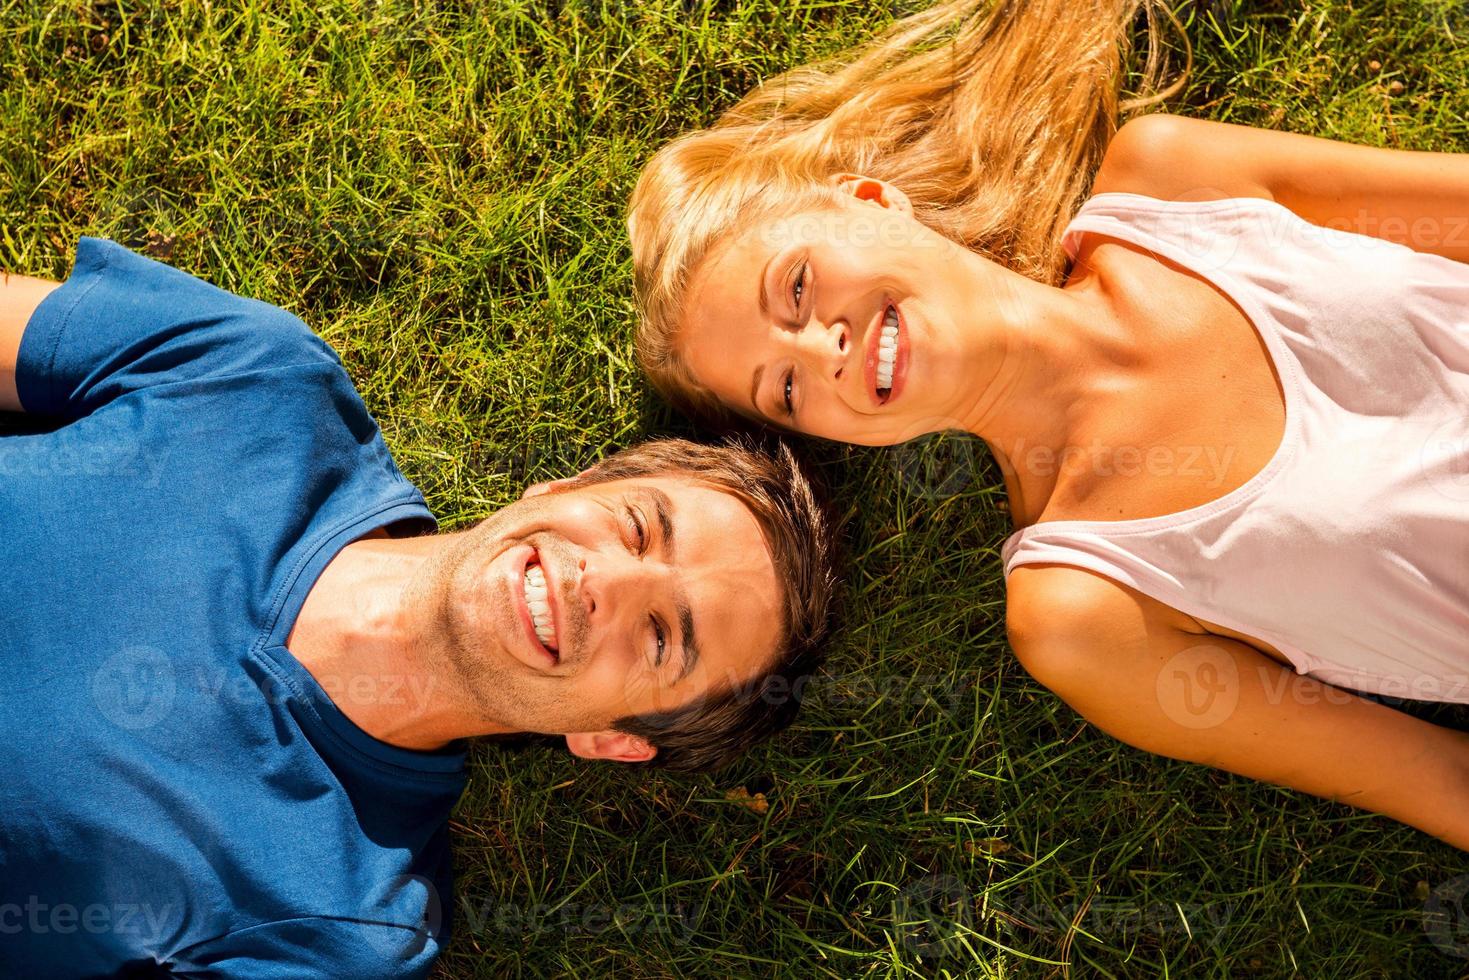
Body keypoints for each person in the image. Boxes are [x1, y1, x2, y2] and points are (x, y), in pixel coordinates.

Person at [625, 0, 1469, 850]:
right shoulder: (1083, 609)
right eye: (785, 388)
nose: (825, 350)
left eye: (797, 287)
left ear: (873, 203)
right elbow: (1438, 780)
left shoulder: (1176, 180)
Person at [0, 237, 839, 976]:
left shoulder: (346, 925)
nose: (606, 585)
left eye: (662, 638)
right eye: (636, 527)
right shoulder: (259, 380)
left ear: (613, 739)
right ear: (568, 485)